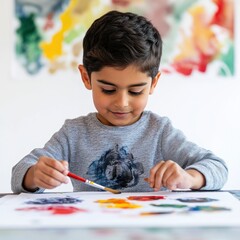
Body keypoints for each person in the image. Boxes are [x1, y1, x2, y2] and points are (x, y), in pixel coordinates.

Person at [11, 10, 228, 194]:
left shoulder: (160, 132)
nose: (122, 103)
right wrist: (34, 175)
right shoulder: (73, 134)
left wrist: (190, 178)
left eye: (135, 91)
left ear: (153, 84)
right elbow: (20, 172)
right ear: (86, 78)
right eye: (108, 89)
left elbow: (218, 167)